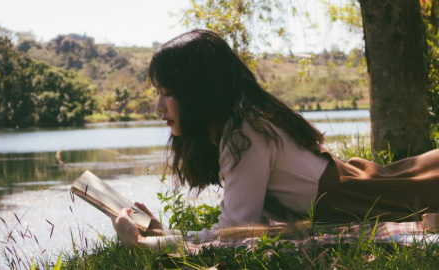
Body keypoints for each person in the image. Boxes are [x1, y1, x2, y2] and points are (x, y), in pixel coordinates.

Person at [110, 29, 439, 248]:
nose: (158, 106)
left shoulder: (245, 133)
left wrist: (150, 244)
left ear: (197, 93)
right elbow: (237, 228)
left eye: (167, 93)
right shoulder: (240, 127)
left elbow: (235, 235)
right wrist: (161, 232)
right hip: (361, 190)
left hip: (370, 198)